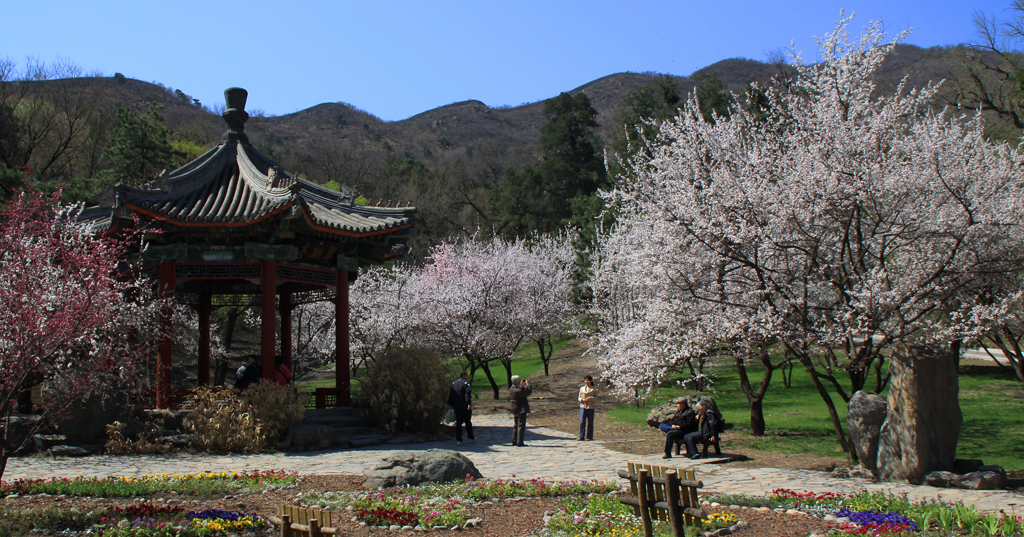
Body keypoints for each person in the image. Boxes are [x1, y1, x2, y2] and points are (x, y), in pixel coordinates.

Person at [448, 370, 474, 446]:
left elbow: (451, 394)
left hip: (456, 406)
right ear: (464, 376)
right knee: (467, 421)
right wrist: (468, 404)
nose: (468, 377)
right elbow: (467, 394)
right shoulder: (465, 384)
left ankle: (459, 439)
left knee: (458, 423)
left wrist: (451, 404)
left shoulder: (454, 383)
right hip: (464, 406)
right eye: (467, 375)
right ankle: (470, 437)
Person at [508, 375, 532, 446]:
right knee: (521, 425)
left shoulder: (512, 388)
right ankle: (520, 441)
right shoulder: (518, 390)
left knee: (516, 425)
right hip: (521, 409)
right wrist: (528, 385)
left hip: (515, 408)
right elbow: (527, 392)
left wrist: (521, 386)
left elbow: (520, 391)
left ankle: (515, 440)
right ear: (517, 382)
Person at [577, 375, 597, 441]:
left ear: (591, 381)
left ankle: (589, 437)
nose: (586, 382)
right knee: (582, 421)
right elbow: (579, 397)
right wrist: (582, 400)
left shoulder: (594, 389)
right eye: (585, 380)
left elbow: (597, 398)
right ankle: (581, 436)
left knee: (590, 422)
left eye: (587, 380)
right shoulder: (582, 388)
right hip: (583, 406)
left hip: (590, 407)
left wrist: (590, 398)